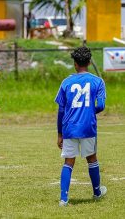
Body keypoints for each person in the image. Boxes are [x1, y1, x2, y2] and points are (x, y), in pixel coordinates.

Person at [55, 46, 107, 206]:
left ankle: (63, 199)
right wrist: (90, 111)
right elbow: (101, 105)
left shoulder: (66, 82)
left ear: (75, 64)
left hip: (69, 128)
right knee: (91, 158)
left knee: (68, 162)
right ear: (90, 62)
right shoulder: (98, 81)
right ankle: (97, 192)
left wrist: (59, 134)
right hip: (87, 127)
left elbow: (61, 110)